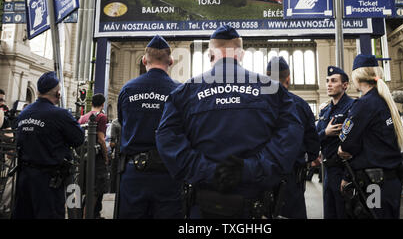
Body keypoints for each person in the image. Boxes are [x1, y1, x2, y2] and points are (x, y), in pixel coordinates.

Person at [156, 25, 303, 219]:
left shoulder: (184, 93)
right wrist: (248, 169)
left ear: (210, 55)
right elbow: (291, 135)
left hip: (203, 204)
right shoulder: (273, 91)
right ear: (241, 55)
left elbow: (167, 138)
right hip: (255, 205)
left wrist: (209, 172)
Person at [117, 35, 183, 219]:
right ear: (170, 61)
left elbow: (123, 123)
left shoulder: (128, 89)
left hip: (134, 174)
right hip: (167, 174)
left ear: (144, 60)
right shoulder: (179, 92)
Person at [338, 54, 403, 219]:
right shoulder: (384, 101)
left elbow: (346, 143)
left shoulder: (364, 104)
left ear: (356, 76)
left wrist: (342, 148)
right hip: (390, 181)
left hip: (373, 184)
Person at [12, 71, 85, 219]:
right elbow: (78, 139)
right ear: (58, 94)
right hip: (48, 182)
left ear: (38, 92)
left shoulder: (24, 113)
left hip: (24, 178)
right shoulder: (60, 114)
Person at [266, 56, 319, 218]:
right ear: (288, 78)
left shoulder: (255, 104)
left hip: (262, 175)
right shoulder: (301, 106)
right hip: (292, 177)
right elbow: (313, 146)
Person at [316, 65, 354, 219]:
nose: (329, 84)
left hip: (343, 168)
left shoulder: (352, 107)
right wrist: (326, 133)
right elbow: (314, 137)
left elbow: (353, 142)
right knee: (329, 212)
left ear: (345, 85)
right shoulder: (325, 110)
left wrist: (347, 177)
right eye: (327, 81)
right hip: (327, 170)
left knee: (343, 212)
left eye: (333, 81)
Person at [78, 93, 109, 219]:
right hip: (96, 157)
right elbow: (101, 139)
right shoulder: (101, 117)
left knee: (85, 187)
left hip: (83, 156)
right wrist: (106, 156)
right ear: (103, 104)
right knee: (96, 188)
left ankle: (89, 214)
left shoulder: (82, 117)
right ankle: (88, 215)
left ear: (91, 104)